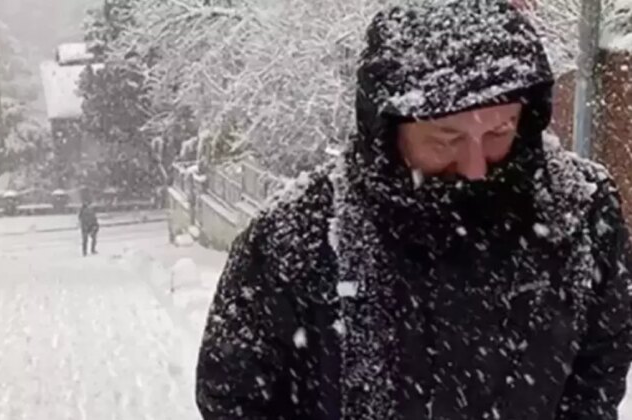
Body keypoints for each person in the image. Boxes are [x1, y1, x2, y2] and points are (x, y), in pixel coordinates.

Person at [196, 2, 632, 419]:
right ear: (385, 131)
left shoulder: (582, 212)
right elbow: (234, 397)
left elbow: (597, 374)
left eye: (500, 131)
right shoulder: (294, 238)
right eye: (446, 140)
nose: (476, 168)